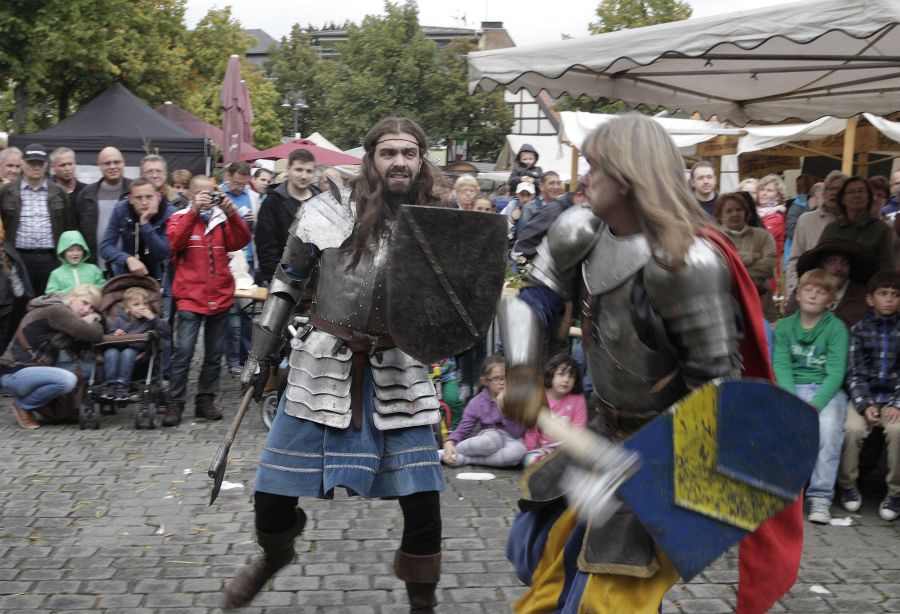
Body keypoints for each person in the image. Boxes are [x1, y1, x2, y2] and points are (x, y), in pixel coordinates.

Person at [497, 115, 794, 613]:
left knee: (605, 598)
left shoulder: (686, 262)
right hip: (603, 434)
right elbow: (531, 302)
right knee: (546, 562)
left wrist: (665, 478)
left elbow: (716, 391)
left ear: (629, 176)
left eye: (596, 167)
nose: (585, 177)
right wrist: (524, 375)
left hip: (663, 454)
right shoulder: (581, 229)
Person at [226, 117, 447, 612]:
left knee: (423, 501)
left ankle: (423, 604)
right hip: (323, 364)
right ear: (370, 159)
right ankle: (275, 554)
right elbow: (286, 282)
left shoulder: (437, 219)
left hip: (399, 367)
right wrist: (260, 357)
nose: (399, 162)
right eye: (389, 153)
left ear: (421, 160)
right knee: (272, 494)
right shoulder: (323, 211)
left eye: (409, 153)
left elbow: (458, 297)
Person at [163, 175, 251, 426]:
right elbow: (175, 242)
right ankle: (175, 403)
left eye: (210, 192)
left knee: (214, 354)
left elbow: (241, 240)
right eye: (200, 192)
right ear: (190, 194)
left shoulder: (221, 219)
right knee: (184, 352)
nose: (206, 197)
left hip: (220, 296)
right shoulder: (179, 217)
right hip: (190, 297)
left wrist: (231, 213)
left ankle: (205, 400)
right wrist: (194, 211)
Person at [773, 268, 849, 524]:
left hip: (824, 390)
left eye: (821, 292)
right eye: (808, 290)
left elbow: (835, 372)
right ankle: (784, 491)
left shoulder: (836, 328)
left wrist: (816, 404)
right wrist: (791, 399)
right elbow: (781, 364)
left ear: (830, 301)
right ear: (798, 294)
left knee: (828, 430)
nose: (813, 296)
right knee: (781, 427)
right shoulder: (785, 327)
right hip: (791, 388)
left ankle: (820, 497)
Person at [839, 270, 900, 522]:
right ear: (870, 299)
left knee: (897, 431)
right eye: (883, 294)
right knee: (852, 429)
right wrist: (864, 405)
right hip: (866, 398)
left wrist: (897, 403)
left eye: (895, 295)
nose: (889, 299)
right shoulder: (859, 330)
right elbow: (854, 372)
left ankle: (895, 492)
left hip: (894, 399)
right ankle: (847, 484)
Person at [0, 284, 103, 429]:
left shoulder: (57, 310)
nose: (87, 310)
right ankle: (23, 405)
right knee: (67, 380)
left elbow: (62, 341)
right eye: (84, 303)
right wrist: (94, 318)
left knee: (88, 369)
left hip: (32, 371)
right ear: (72, 298)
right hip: (15, 373)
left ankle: (54, 408)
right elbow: (93, 334)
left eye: (92, 308)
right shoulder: (57, 310)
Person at [0, 143, 74, 296]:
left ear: (46, 165)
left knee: (49, 301)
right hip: (17, 257)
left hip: (51, 257)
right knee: (19, 301)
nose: (35, 167)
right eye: (31, 162)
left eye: (39, 163)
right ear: (23, 163)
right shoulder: (6, 191)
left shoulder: (59, 192)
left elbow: (67, 226)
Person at [441, 354, 527, 468]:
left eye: (506, 377)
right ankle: (446, 452)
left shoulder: (517, 398)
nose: (503, 382)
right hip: (490, 438)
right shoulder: (477, 402)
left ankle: (466, 459)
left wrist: (503, 409)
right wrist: (449, 442)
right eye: (497, 378)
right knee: (489, 442)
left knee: (519, 451)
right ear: (485, 381)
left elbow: (517, 432)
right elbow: (463, 429)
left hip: (512, 440)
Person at [254, 149, 320, 283]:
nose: (304, 176)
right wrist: (279, 281)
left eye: (309, 171)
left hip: (317, 284)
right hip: (282, 281)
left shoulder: (323, 201)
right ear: (288, 169)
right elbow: (266, 248)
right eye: (299, 170)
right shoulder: (272, 202)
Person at [715, 193, 778, 321]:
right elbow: (720, 272)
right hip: (730, 311)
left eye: (739, 209)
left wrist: (735, 267)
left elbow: (769, 266)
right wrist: (751, 257)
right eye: (729, 211)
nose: (734, 214)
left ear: (746, 212)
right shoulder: (716, 240)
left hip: (762, 307)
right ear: (720, 215)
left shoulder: (763, 236)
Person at [100, 178, 175, 285]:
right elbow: (105, 247)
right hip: (128, 276)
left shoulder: (170, 213)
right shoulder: (121, 209)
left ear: (158, 196)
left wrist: (145, 223)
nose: (144, 202)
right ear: (131, 199)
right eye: (139, 198)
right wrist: (127, 259)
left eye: (149, 197)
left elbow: (163, 254)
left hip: (161, 278)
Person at [101, 286, 171, 400]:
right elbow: (110, 334)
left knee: (128, 352)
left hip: (137, 349)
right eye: (136, 304)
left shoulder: (149, 321)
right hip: (117, 347)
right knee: (110, 352)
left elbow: (167, 332)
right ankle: (110, 384)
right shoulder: (119, 319)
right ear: (127, 308)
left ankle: (123, 384)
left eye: (145, 303)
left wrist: (153, 318)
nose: (142, 307)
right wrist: (116, 334)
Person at [521, 354, 588, 467]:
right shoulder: (539, 395)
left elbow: (579, 427)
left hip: (568, 448)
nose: (566, 380)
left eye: (571, 376)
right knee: (530, 460)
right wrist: (530, 449)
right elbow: (532, 427)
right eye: (561, 374)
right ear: (551, 374)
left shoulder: (577, 398)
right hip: (545, 448)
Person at [786, 171, 846, 295]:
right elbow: (794, 260)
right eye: (830, 189)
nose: (833, 193)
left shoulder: (851, 222)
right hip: (811, 292)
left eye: (838, 189)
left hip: (843, 292)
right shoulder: (806, 220)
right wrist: (795, 288)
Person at [820, 175, 895, 272]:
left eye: (861, 191)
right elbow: (819, 260)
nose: (857, 195)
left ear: (868, 197)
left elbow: (886, 268)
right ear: (842, 199)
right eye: (851, 192)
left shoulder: (881, 229)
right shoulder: (832, 228)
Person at [74, 146, 132, 265]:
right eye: (107, 163)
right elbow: (77, 231)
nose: (112, 166)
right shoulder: (86, 195)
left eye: (116, 162)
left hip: (130, 265)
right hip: (94, 266)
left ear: (123, 163)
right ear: (99, 165)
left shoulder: (135, 191)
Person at [755, 174, 787, 272]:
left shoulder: (777, 217)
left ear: (778, 196)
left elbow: (759, 241)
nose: (764, 193)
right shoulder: (756, 211)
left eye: (769, 190)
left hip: (767, 271)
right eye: (762, 189)